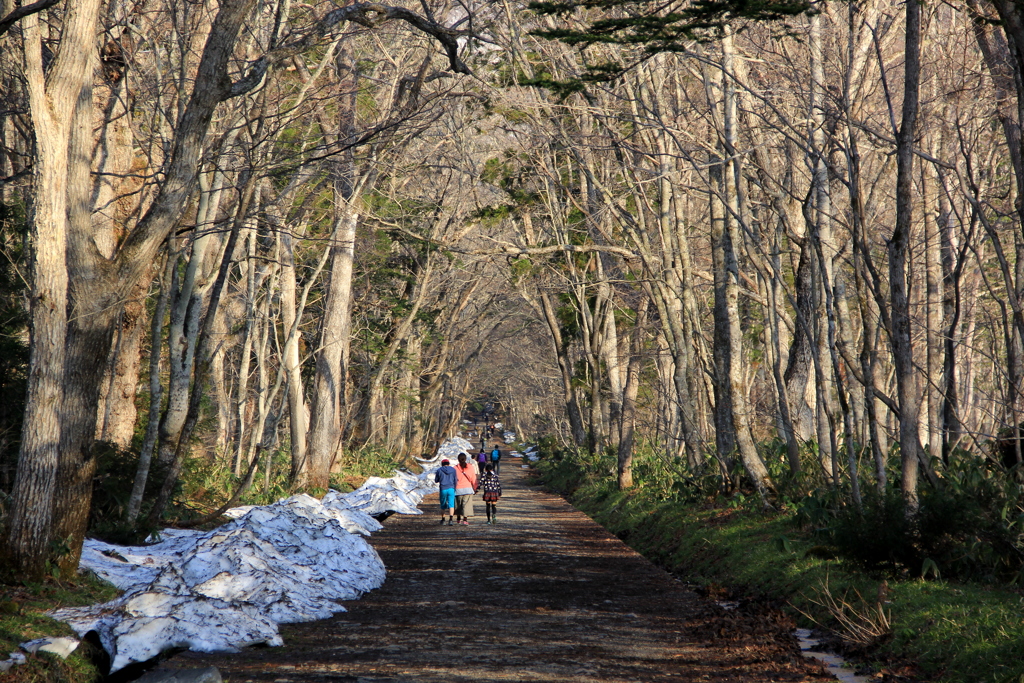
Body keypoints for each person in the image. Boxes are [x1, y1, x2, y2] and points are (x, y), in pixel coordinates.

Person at [453, 453, 478, 525]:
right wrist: (475, 487)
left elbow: (453, 479)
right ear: (465, 459)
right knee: (466, 504)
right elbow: (473, 479)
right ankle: (465, 519)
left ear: (458, 459)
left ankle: (458, 518)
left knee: (458, 504)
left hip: (458, 489)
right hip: (468, 489)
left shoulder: (455, 468)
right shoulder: (470, 467)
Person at [434, 458, 457, 525]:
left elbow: (436, 480)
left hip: (443, 488)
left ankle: (443, 520)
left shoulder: (439, 470)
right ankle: (451, 520)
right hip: (451, 488)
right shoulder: (453, 470)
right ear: (448, 464)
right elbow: (455, 480)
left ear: (442, 464)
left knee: (443, 504)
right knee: (451, 504)